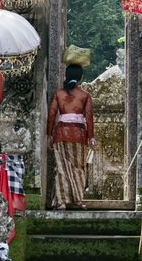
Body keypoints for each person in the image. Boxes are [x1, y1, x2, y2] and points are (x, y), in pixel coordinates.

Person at [47, 64, 97, 210]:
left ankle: (61, 202)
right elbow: (89, 117)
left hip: (61, 133)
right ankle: (77, 199)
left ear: (66, 76)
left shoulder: (58, 94)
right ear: (80, 78)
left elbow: (51, 115)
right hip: (79, 135)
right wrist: (91, 137)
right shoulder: (85, 95)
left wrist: (49, 135)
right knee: (79, 168)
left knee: (61, 168)